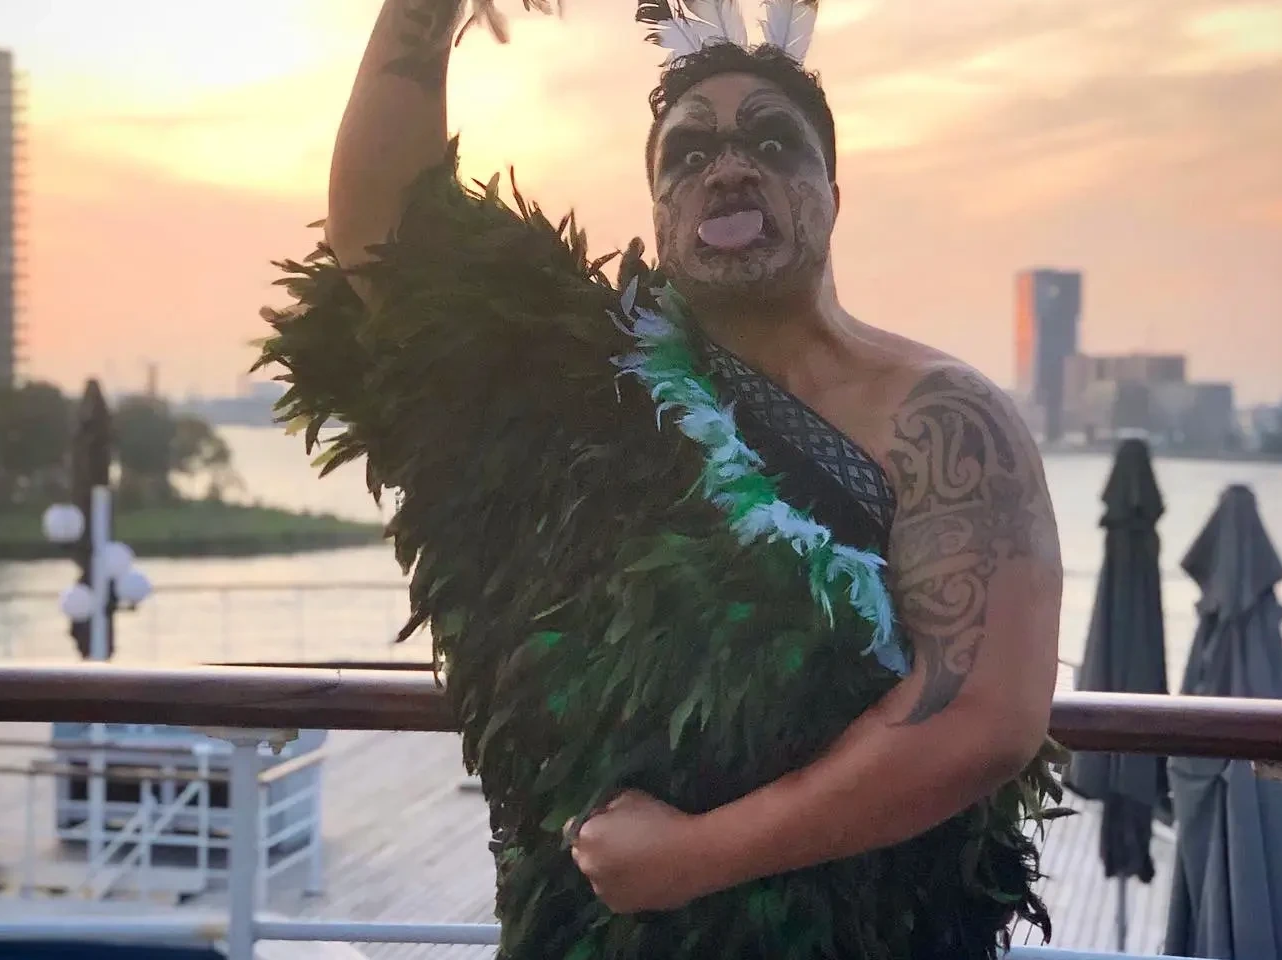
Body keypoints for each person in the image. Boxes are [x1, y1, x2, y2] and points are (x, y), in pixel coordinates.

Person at [258, 1, 1065, 957]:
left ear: (832, 195)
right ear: (660, 212)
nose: (728, 167)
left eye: (773, 143)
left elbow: (984, 720)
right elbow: (393, 235)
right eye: (687, 155)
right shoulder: (573, 383)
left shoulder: (943, 419)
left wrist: (691, 859)